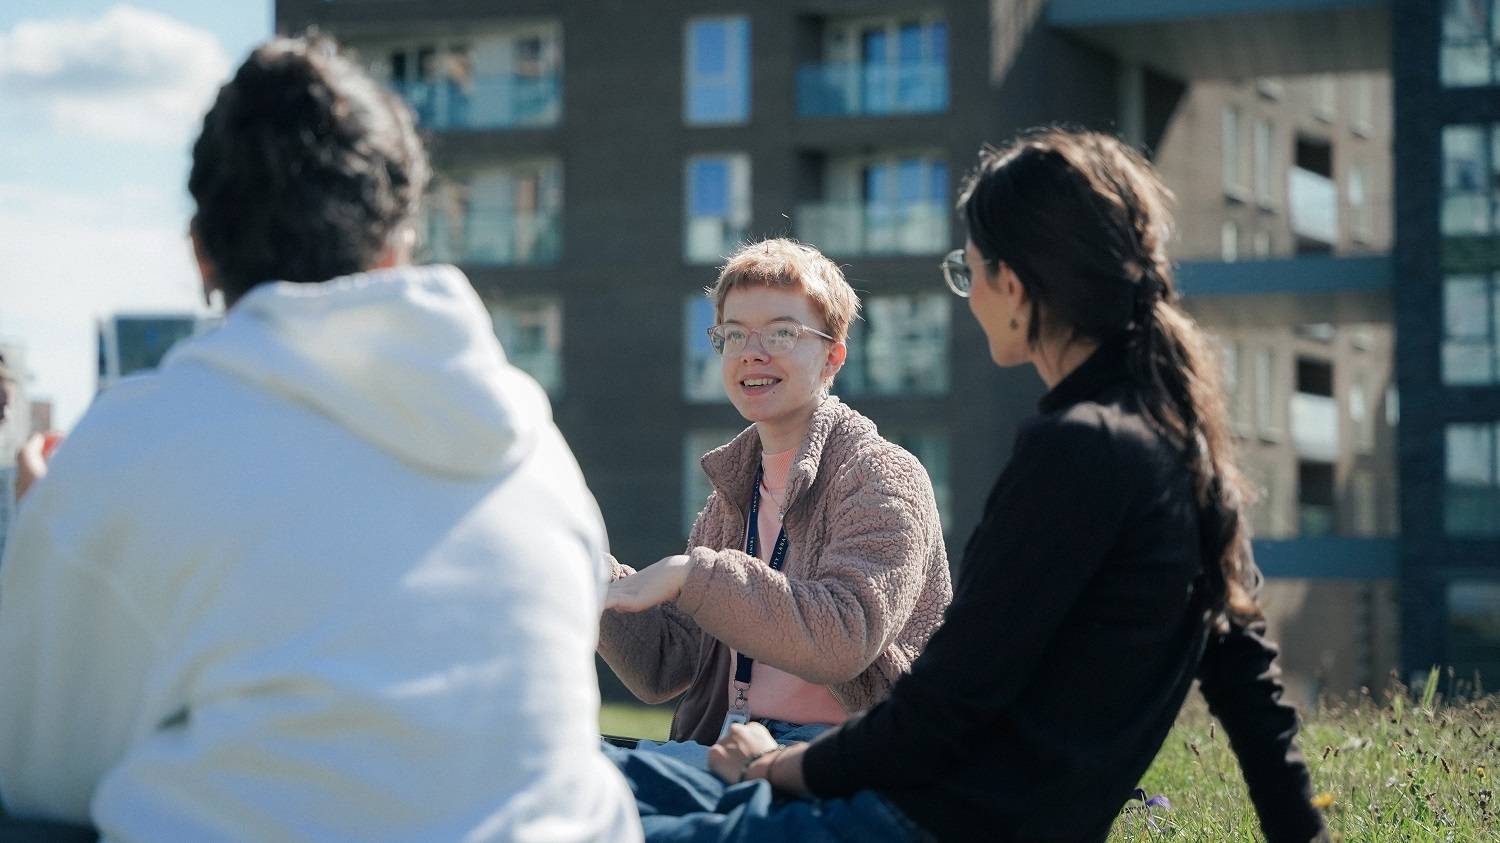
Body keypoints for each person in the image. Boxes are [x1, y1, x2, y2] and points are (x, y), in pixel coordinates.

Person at [0, 35, 638, 842]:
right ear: (400, 240)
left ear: (201, 253)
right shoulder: (533, 444)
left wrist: (57, 528)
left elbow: (38, 770)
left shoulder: (134, 448)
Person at [621, 130, 1330, 842]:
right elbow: (1248, 687)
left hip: (902, 818)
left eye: (970, 271)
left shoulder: (1075, 450)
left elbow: (943, 705)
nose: (970, 295)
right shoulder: (1178, 444)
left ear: (1013, 285)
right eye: (734, 334)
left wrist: (775, 767)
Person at [598, 238, 952, 764]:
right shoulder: (732, 494)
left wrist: (690, 574)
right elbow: (666, 665)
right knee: (557, 768)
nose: (751, 352)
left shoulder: (882, 475)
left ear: (833, 356)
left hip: (842, 758)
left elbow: (844, 638)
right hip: (725, 744)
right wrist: (587, 573)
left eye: (782, 333)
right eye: (733, 334)